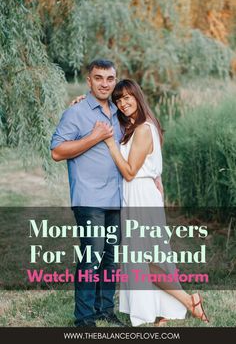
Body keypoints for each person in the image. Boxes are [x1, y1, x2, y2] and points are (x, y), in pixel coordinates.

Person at [102, 78, 209, 326]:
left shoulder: (142, 129)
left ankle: (188, 300)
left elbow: (129, 171)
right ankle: (162, 312)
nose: (122, 103)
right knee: (151, 257)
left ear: (137, 96)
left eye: (127, 97)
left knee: (145, 261)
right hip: (138, 194)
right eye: (118, 100)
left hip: (140, 196)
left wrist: (110, 144)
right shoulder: (137, 126)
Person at [50, 59, 124, 327]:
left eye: (110, 78)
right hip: (89, 198)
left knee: (110, 259)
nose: (104, 83)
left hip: (116, 198)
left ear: (115, 80)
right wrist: (93, 137)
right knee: (91, 259)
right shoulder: (76, 113)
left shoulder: (119, 112)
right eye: (98, 78)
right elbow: (57, 152)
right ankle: (84, 318)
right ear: (89, 81)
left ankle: (105, 310)